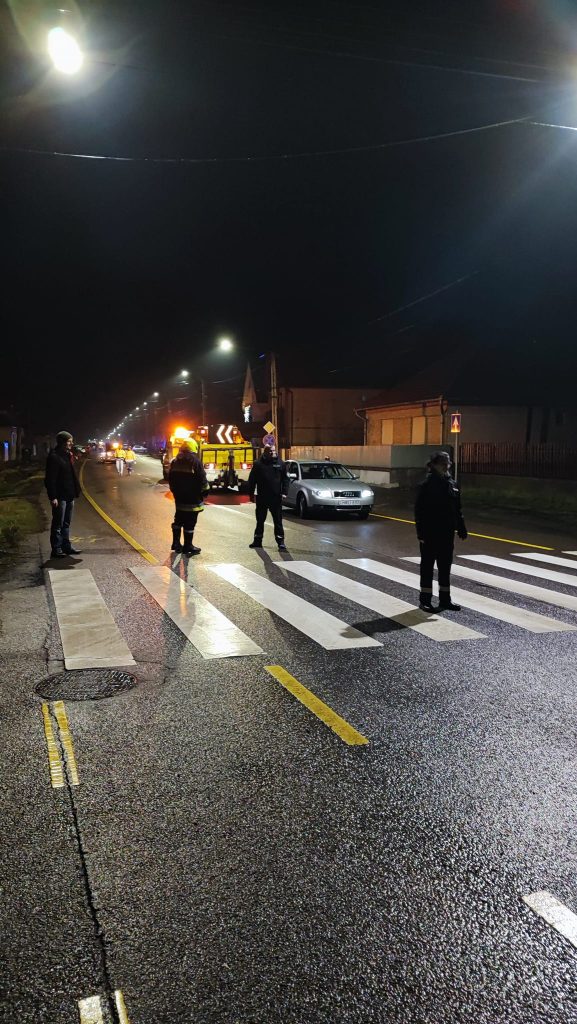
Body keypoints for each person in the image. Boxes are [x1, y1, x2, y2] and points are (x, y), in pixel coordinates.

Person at [415, 450, 467, 612]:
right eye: (443, 463)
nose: (446, 466)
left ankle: (445, 600)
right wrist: (421, 533)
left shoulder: (452, 484)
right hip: (430, 533)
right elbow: (419, 511)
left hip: (447, 533)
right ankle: (425, 600)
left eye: (448, 463)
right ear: (434, 465)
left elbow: (457, 508)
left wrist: (461, 526)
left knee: (445, 567)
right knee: (427, 567)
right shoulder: (427, 485)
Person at [44, 430, 82, 559]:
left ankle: (66, 546)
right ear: (62, 442)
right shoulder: (54, 457)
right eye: (69, 441)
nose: (71, 443)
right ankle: (56, 548)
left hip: (69, 494)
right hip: (60, 496)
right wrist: (52, 496)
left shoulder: (67, 455)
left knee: (66, 523)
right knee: (58, 523)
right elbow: (50, 479)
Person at [167, 440, 208, 556]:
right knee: (190, 522)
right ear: (193, 448)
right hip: (192, 497)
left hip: (179, 497)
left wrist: (175, 491)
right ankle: (188, 546)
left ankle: (176, 543)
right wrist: (205, 491)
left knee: (179, 519)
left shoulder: (175, 461)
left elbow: (170, 478)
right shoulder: (195, 461)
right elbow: (202, 478)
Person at [248, 446, 287, 551]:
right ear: (264, 452)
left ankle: (281, 542)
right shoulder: (258, 464)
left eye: (273, 451)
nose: (272, 453)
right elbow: (252, 480)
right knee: (260, 520)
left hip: (275, 497)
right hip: (262, 497)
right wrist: (251, 494)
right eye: (269, 451)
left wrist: (284, 492)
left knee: (277, 521)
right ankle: (257, 541)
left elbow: (285, 479)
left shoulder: (280, 463)